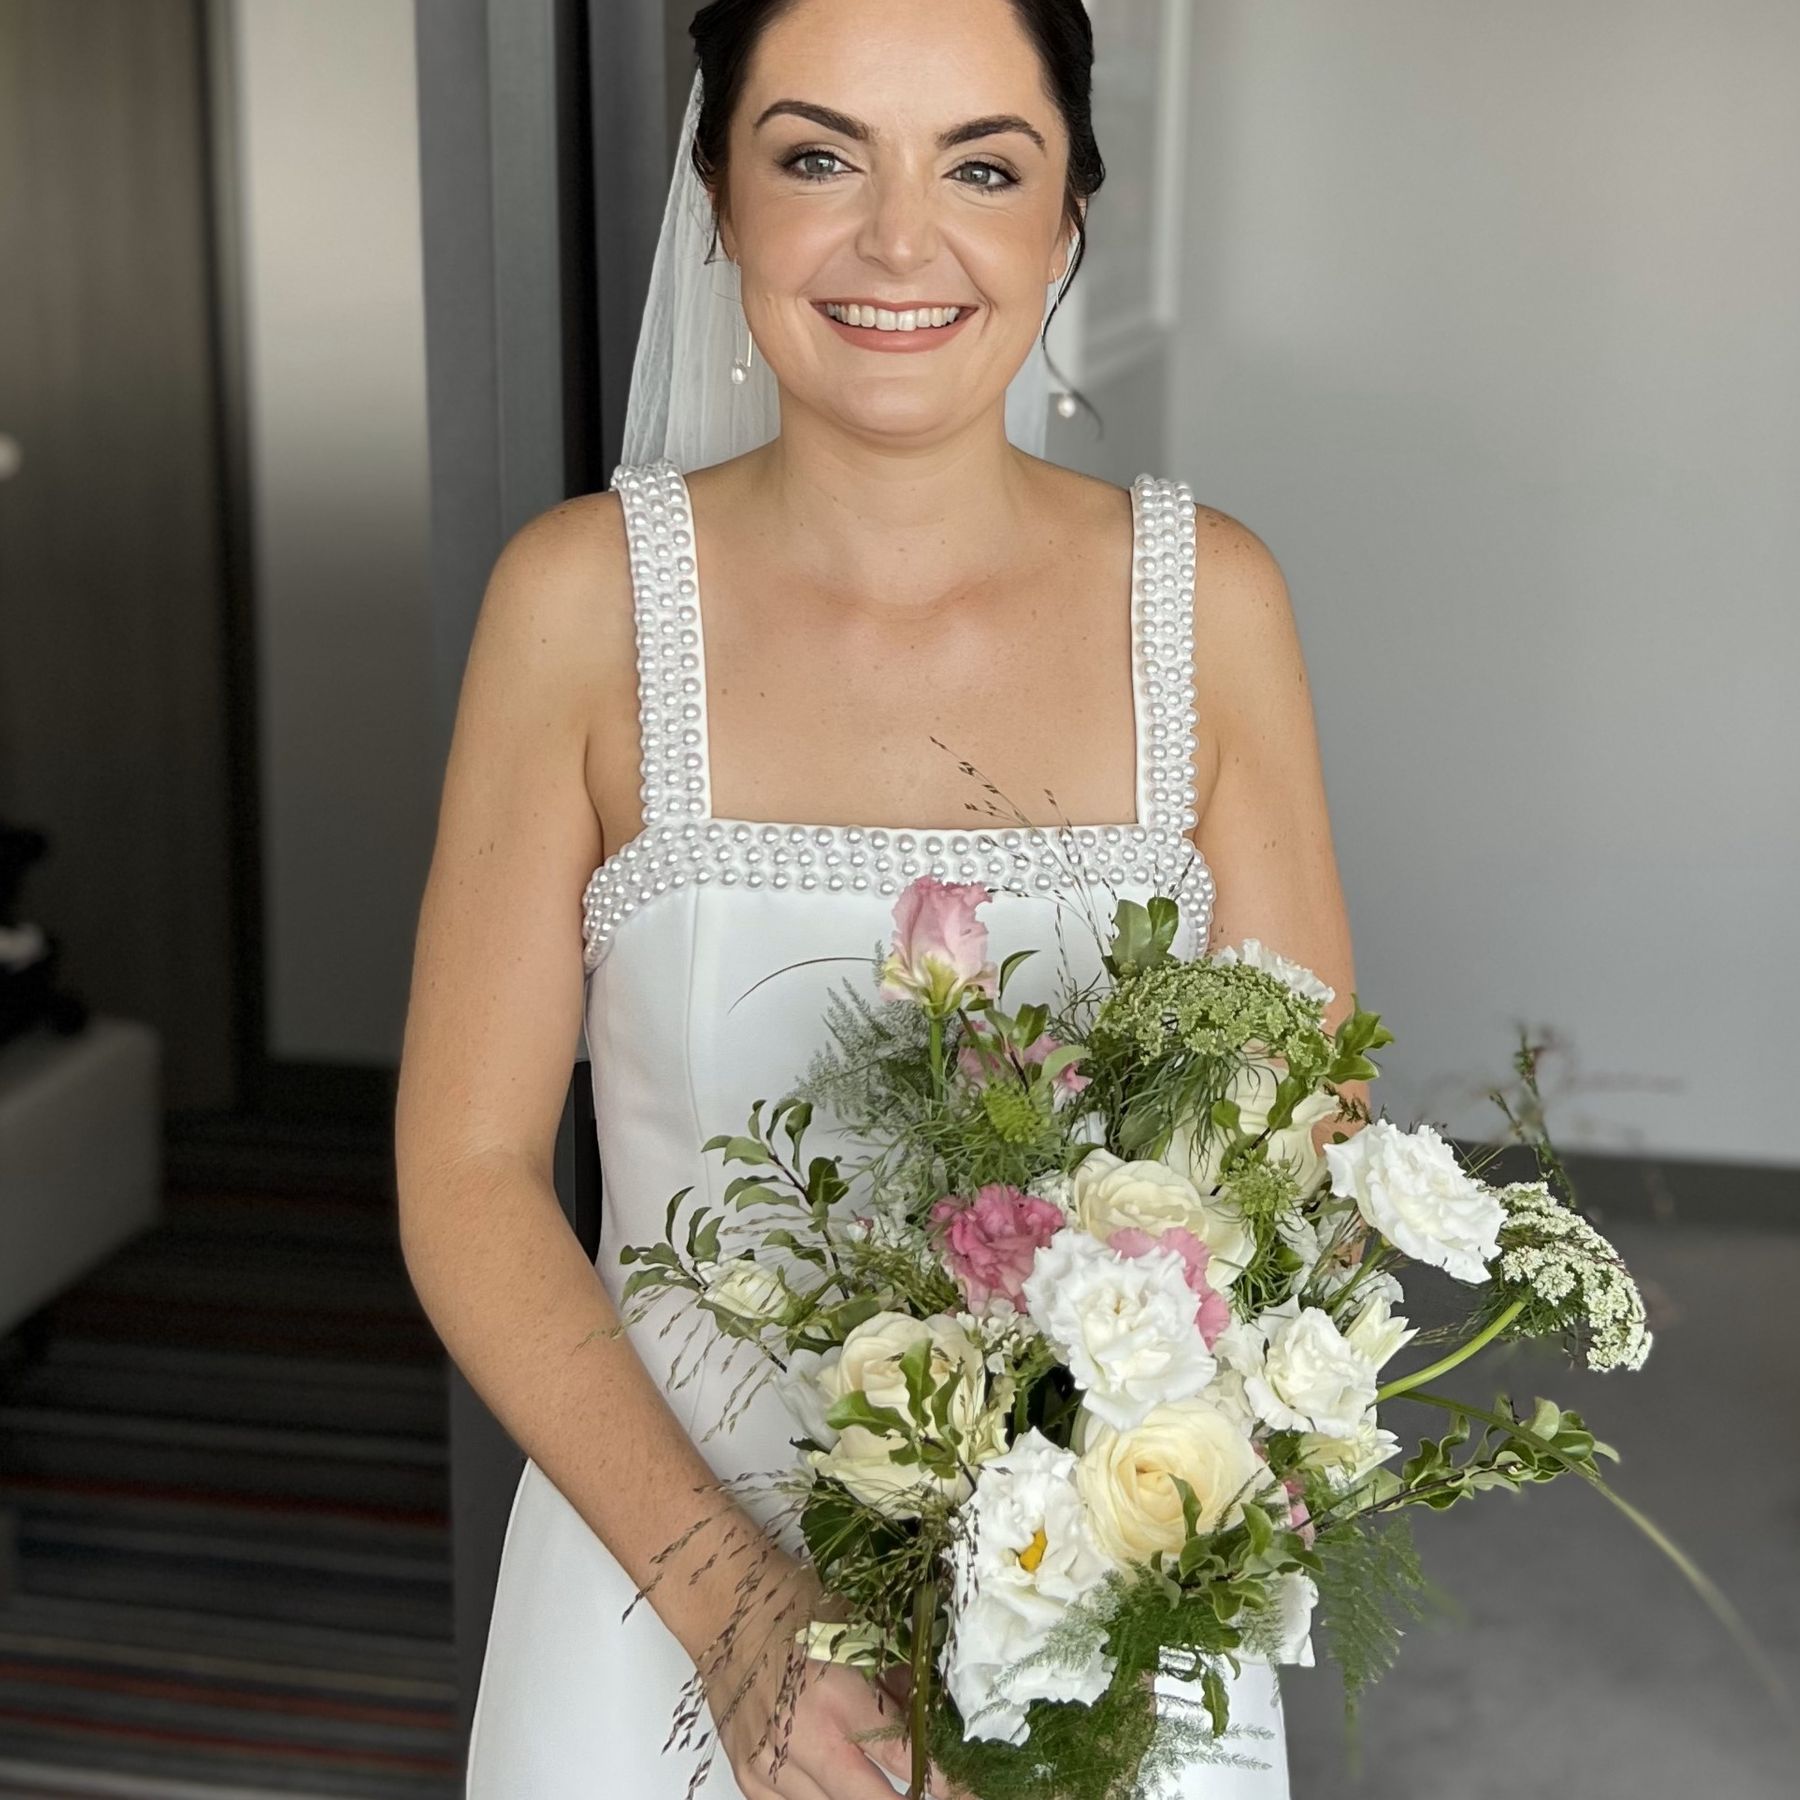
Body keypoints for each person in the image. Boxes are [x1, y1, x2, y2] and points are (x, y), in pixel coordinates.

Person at [395, 1, 1356, 1795]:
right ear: (721, 201)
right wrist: (738, 1613)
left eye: (982, 168)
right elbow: (466, 1175)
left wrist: (1085, 1562)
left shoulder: (1211, 605)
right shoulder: (577, 604)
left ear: (1069, 216)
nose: (900, 241)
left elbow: (1305, 1149)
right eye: (820, 157)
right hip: (655, 1581)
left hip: (1104, 1612)